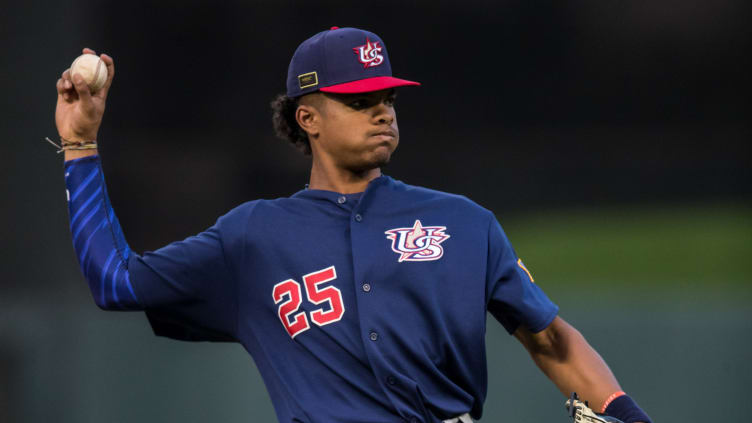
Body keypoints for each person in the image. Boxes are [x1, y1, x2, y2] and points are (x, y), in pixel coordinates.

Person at [55, 27, 651, 423]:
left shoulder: (464, 223)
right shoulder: (253, 237)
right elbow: (117, 281)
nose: (383, 110)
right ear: (307, 116)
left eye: (388, 97)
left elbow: (551, 339)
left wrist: (627, 415)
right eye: (361, 100)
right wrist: (80, 145)